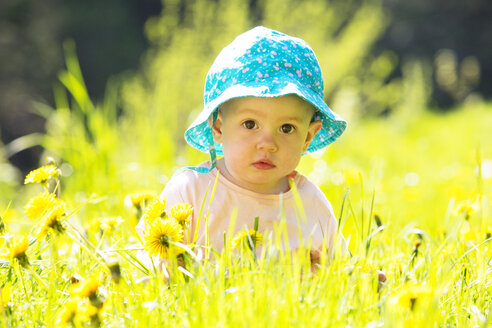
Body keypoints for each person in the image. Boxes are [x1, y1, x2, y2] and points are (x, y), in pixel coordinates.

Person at [136, 26, 348, 267]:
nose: (268, 144)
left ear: (308, 138)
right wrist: (167, 271)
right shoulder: (190, 193)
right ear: (218, 128)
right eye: (250, 124)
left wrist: (365, 284)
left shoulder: (310, 205)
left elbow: (343, 274)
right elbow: (147, 262)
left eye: (287, 128)